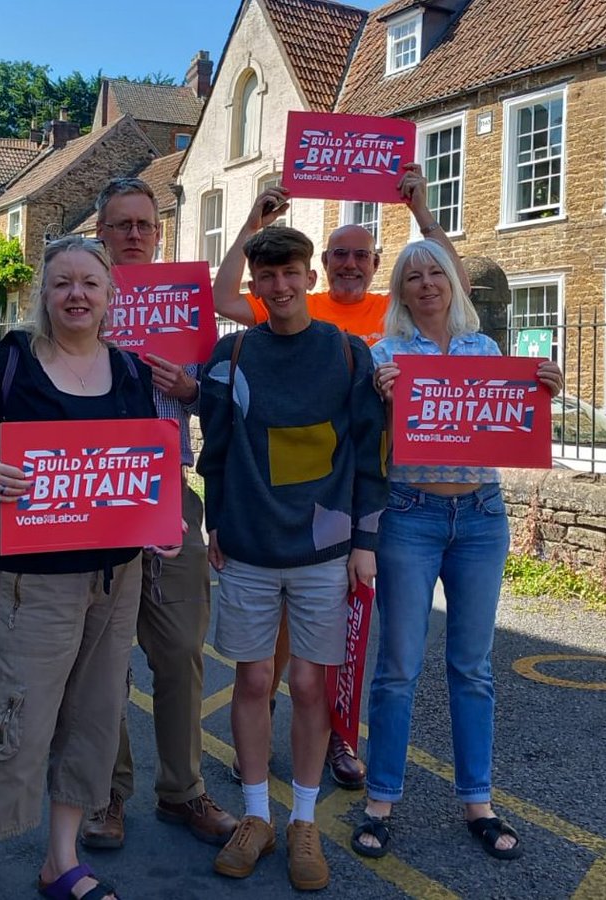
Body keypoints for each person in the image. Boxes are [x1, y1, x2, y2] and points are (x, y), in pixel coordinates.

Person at [211, 162, 466, 788]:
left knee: (339, 644)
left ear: (377, 264)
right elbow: (222, 300)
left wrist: (420, 210)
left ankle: (340, 742)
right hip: (290, 499)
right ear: (321, 265)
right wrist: (257, 221)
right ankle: (262, 733)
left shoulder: (392, 313)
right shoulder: (301, 301)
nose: (350, 263)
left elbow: (450, 281)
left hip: (371, 488)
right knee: (268, 654)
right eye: (340, 255)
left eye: (361, 255)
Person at [0, 235, 159, 900]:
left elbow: (142, 471)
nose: (76, 296)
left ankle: (61, 861)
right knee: (18, 723)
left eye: (89, 283)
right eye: (62, 283)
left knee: (94, 719)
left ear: (110, 295)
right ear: (45, 294)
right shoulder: (15, 363)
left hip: (116, 578)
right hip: (35, 582)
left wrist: (163, 523)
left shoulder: (132, 373)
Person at [351, 240, 563, 862]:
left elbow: (508, 420)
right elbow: (365, 443)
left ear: (452, 283)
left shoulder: (486, 351)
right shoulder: (383, 355)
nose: (425, 284)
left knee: (473, 667)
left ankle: (478, 802)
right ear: (400, 291)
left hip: (481, 516)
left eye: (434, 273)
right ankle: (381, 800)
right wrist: (379, 397)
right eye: (412, 277)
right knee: (398, 667)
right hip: (410, 515)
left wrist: (542, 389)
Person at [198, 226, 386, 890]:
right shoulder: (232, 353)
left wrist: (365, 542)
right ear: (255, 285)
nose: (279, 286)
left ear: (311, 277)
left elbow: (370, 453)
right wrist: (215, 521)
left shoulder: (346, 355)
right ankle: (256, 815)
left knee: (309, 686)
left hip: (324, 549)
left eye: (290, 273)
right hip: (248, 545)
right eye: (266, 276)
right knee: (252, 682)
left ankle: (304, 820)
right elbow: (213, 446)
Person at [78, 177, 237, 850]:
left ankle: (184, 792)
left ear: (157, 232)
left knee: (178, 653)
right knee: (103, 661)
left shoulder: (184, 303)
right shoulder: (80, 302)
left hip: (171, 492)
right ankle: (106, 797)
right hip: (97, 495)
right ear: (103, 236)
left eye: (145, 224)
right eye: (122, 225)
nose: (136, 234)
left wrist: (192, 387)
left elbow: (226, 405)